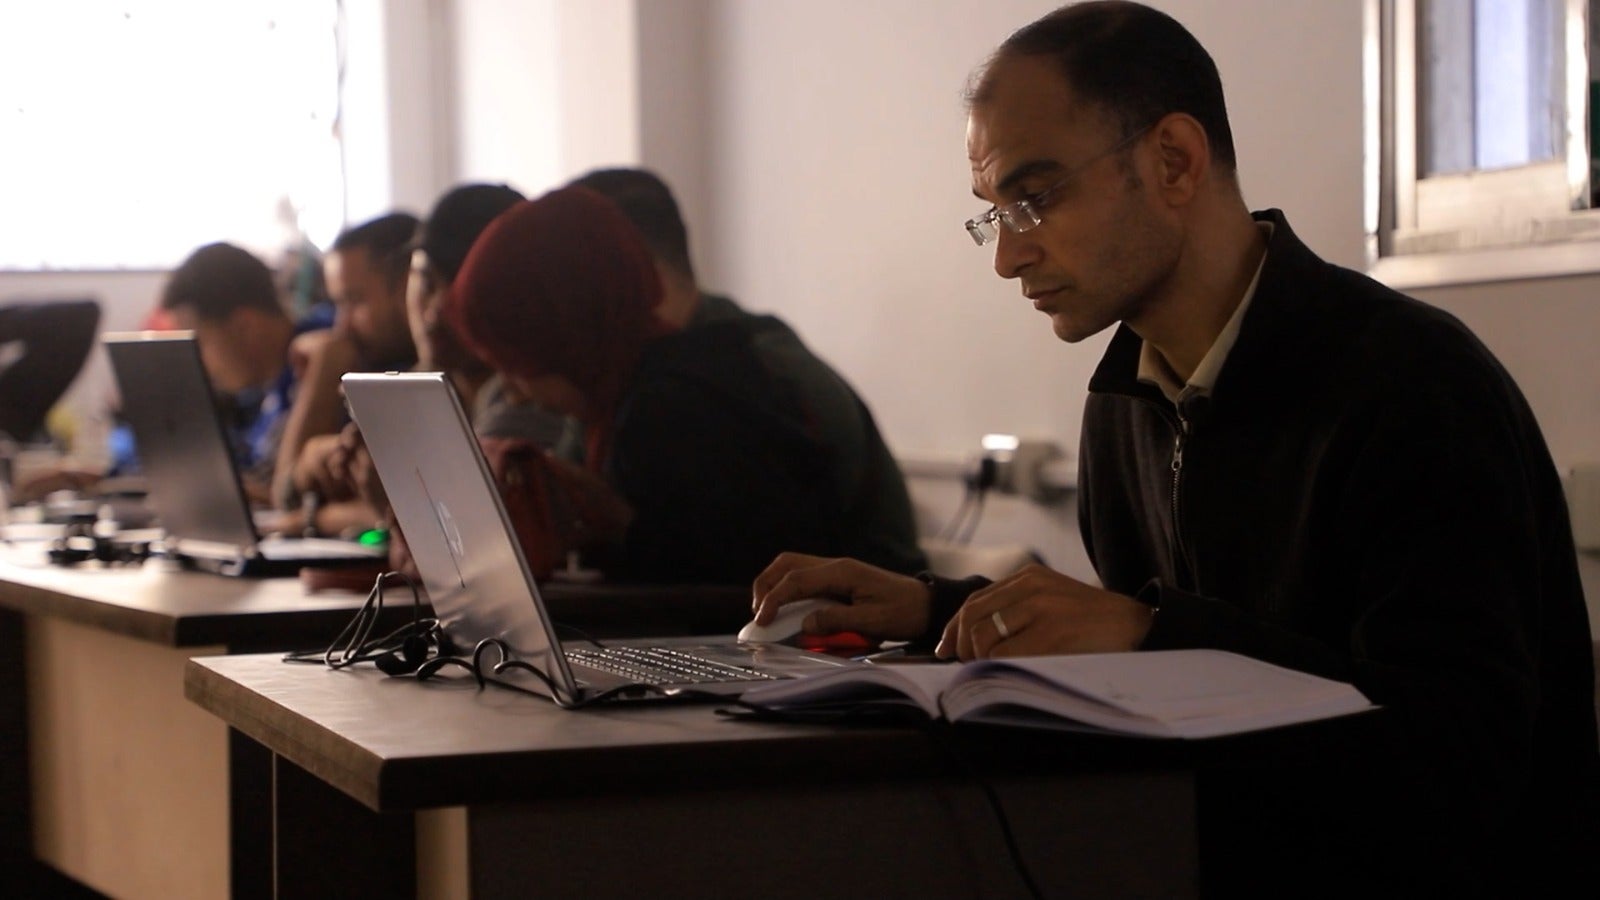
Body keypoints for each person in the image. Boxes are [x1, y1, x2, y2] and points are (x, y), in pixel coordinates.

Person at [751, 1, 1597, 892]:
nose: (1007, 258)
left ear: (1173, 162)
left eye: (1033, 199)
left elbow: (1459, 765)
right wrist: (935, 610)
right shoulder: (1125, 403)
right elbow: (1167, 666)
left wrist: (1151, 636)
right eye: (994, 212)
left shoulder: (1412, 386)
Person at [443, 186, 926, 584]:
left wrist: (618, 525)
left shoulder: (680, 405)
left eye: (523, 367)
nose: (518, 392)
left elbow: (726, 581)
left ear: (567, 338)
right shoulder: (630, 391)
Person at [272, 211, 419, 533]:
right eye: (338, 304)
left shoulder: (433, 379)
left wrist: (316, 519)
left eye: (355, 301)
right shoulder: (369, 367)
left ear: (408, 284)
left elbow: (422, 512)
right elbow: (286, 493)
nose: (342, 324)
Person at [152, 243, 331, 501]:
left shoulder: (324, 358)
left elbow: (292, 496)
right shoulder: (262, 391)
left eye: (200, 343)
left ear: (244, 326)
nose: (198, 362)